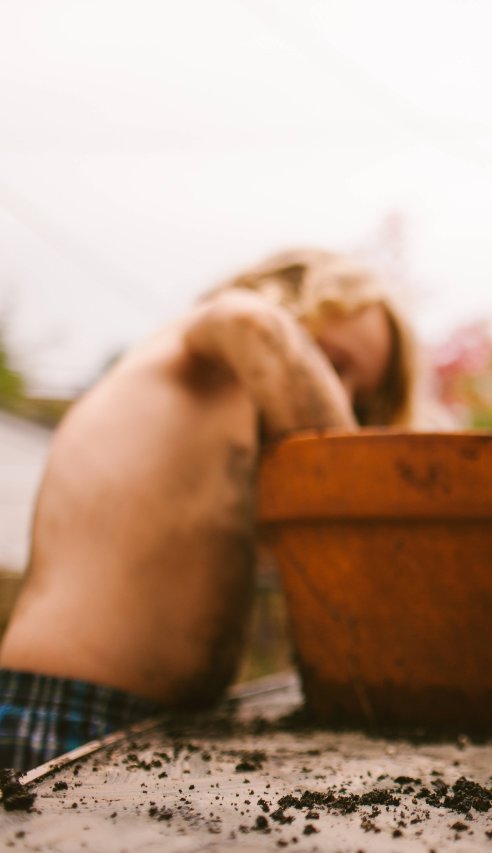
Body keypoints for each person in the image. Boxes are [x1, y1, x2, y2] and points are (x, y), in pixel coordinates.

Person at [0, 248, 415, 771]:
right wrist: (357, 487)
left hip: (157, 723)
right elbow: (251, 322)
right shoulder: (201, 347)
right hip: (67, 709)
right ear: (288, 308)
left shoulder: (228, 438)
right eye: (332, 365)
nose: (340, 395)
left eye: (359, 394)